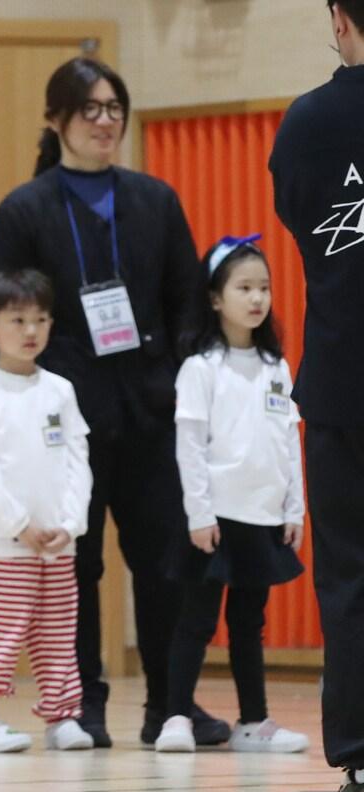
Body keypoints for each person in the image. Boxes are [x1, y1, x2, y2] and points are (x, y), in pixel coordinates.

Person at [0, 56, 229, 748]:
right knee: (75, 566)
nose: (105, 120)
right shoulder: (24, 209)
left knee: (165, 563)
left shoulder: (154, 199)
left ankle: (170, 705)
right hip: (66, 420)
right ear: (55, 119)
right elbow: (2, 320)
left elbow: (188, 299)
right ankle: (81, 701)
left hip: (151, 412)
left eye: (114, 106)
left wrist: (180, 381)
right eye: (89, 108)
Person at [155, 236, 309, 755]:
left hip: (262, 515)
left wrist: (294, 509)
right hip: (214, 517)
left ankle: (254, 721)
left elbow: (288, 440)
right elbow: (190, 447)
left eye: (263, 287)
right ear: (216, 299)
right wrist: (199, 513)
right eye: (243, 287)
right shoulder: (201, 367)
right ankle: (175, 715)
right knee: (197, 619)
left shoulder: (276, 367)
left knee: (250, 622)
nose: (256, 298)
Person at [269, 0, 364, 792]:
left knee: (349, 572)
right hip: (338, 384)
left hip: (342, 379)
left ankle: (363, 754)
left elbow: (301, 220)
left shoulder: (307, 123)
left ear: (339, 16)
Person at [0, 269, 93, 754]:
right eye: (17, 320)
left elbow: (78, 461)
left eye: (40, 319)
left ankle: (62, 717)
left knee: (57, 634)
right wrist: (18, 524)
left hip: (58, 543)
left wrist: (70, 524)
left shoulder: (60, 390)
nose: (31, 331)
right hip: (3, 542)